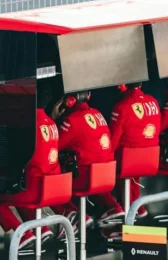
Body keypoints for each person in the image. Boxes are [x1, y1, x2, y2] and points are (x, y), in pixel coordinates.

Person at [0, 96, 61, 250]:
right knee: (21, 198)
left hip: (35, 189)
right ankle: (41, 229)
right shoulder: (52, 123)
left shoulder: (29, 126)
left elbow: (18, 156)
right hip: (51, 187)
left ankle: (22, 235)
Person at [52, 92, 125, 234]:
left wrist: (54, 119)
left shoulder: (72, 121)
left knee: (51, 177)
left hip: (85, 179)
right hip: (106, 175)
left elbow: (54, 147)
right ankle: (113, 209)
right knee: (91, 172)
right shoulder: (98, 113)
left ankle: (76, 216)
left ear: (69, 101)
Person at [106, 83, 161, 227]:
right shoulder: (153, 101)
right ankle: (137, 207)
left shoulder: (121, 107)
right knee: (130, 162)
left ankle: (125, 212)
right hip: (150, 159)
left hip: (128, 162)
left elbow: (113, 142)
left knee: (114, 167)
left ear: (123, 85)